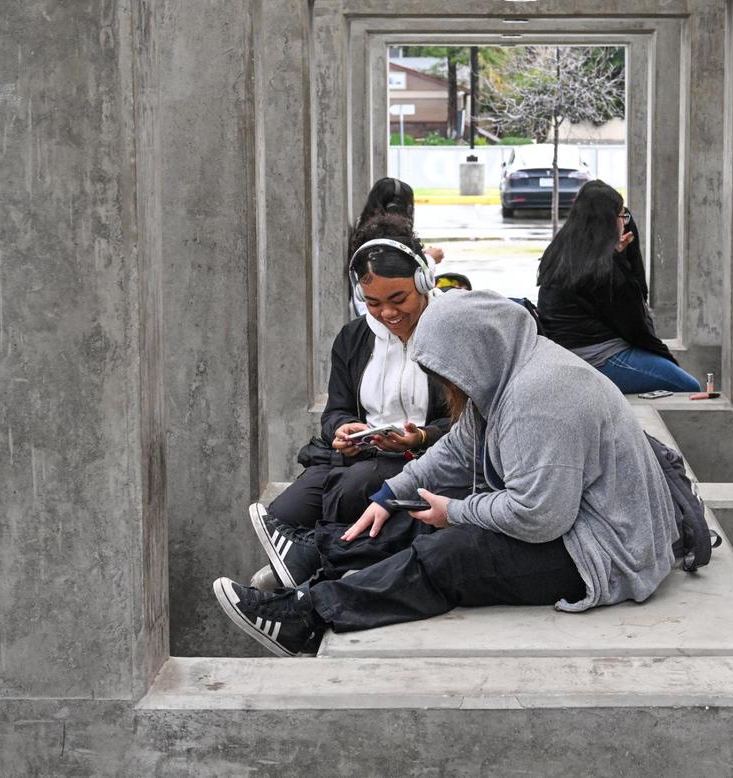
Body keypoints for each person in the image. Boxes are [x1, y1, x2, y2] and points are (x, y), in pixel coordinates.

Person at [212, 289, 679, 656]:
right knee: (414, 509)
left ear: (473, 352)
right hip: (576, 524)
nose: (441, 381)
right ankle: (316, 560)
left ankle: (306, 619)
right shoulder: (509, 371)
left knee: (453, 552)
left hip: (605, 553)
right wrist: (388, 494)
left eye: (444, 368)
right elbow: (457, 451)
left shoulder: (543, 398)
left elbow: (541, 517)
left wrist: (456, 511)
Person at [263, 215, 452, 543]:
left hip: (425, 457)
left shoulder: (451, 333)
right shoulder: (353, 338)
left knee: (350, 491)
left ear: (423, 282)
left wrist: (422, 435)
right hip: (359, 457)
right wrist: (342, 429)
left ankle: (315, 567)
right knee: (283, 515)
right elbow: (336, 410)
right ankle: (308, 567)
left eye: (398, 299)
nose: (388, 314)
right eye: (373, 303)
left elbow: (471, 419)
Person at [535, 180, 702, 394]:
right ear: (608, 221)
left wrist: (617, 254)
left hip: (565, 350)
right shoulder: (605, 266)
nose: (625, 222)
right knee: (689, 386)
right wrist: (668, 361)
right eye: (622, 216)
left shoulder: (560, 249)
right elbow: (637, 325)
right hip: (597, 357)